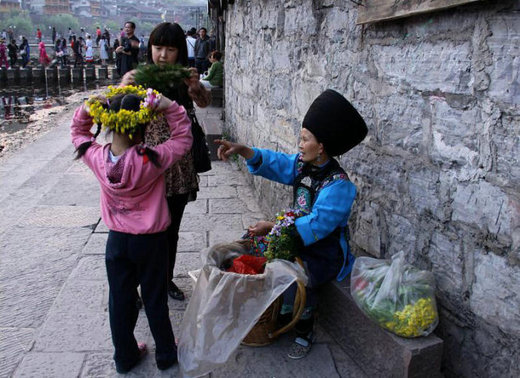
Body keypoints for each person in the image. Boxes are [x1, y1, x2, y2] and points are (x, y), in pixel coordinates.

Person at [215, 89, 368, 359]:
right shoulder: (301, 165)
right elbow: (277, 163)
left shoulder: (339, 186)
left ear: (322, 146)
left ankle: (304, 330)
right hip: (292, 234)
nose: (299, 143)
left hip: (323, 250)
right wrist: (245, 151)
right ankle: (280, 310)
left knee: (303, 276)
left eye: (305, 138)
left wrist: (273, 228)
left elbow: (317, 225)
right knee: (253, 245)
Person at [71, 85, 193, 373]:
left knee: (120, 300)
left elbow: (78, 134)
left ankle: (124, 357)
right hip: (150, 242)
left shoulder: (96, 157)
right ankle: (165, 353)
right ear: (143, 125)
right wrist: (168, 106)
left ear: (110, 126)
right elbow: (183, 138)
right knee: (154, 299)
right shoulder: (150, 160)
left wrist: (87, 110)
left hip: (117, 242)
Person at [120, 22, 211, 301]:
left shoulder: (184, 78)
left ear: (179, 51)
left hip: (178, 166)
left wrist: (195, 87)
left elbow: (205, 102)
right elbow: (116, 110)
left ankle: (166, 280)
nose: (162, 55)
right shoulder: (139, 76)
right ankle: (137, 285)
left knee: (171, 229)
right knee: (141, 230)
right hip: (144, 166)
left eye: (170, 49)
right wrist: (124, 87)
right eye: (158, 47)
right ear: (150, 48)